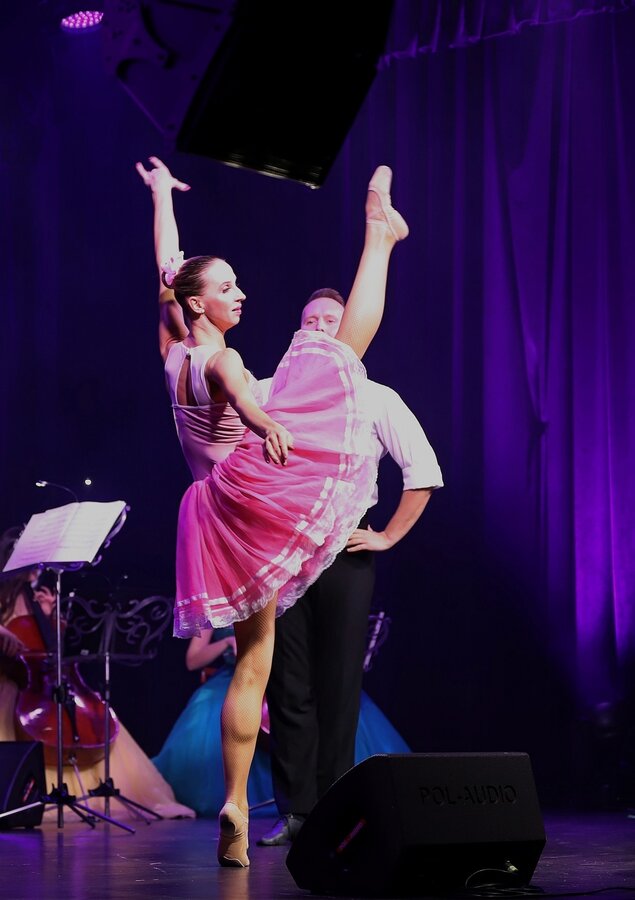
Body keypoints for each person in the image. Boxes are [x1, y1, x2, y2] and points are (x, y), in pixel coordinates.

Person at [136, 156, 408, 866]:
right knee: (340, 356)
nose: (240, 293)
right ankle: (378, 239)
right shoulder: (222, 362)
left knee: (251, 663)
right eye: (226, 287)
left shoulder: (171, 354)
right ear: (199, 305)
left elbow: (167, 265)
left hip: (208, 511)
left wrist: (162, 196)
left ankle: (234, 801)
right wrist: (268, 426)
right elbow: (243, 396)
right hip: (249, 493)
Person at [256, 288, 443, 846]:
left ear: (350, 331)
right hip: (281, 553)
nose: (319, 327)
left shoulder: (376, 397)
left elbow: (423, 469)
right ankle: (296, 812)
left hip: (344, 552)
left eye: (331, 320)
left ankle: (334, 809)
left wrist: (386, 536)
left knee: (339, 681)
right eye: (309, 320)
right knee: (286, 684)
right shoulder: (269, 392)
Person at [0, 526, 195, 822]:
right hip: (14, 685)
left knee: (97, 721)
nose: (39, 569)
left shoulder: (39, 597)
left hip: (48, 683)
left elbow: (58, 648)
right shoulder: (3, 598)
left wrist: (52, 617)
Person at [151, 621, 410, 819]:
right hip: (236, 677)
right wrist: (226, 642)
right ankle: (236, 801)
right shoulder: (218, 598)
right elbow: (193, 659)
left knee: (336, 709)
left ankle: (326, 795)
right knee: (215, 710)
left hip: (286, 677)